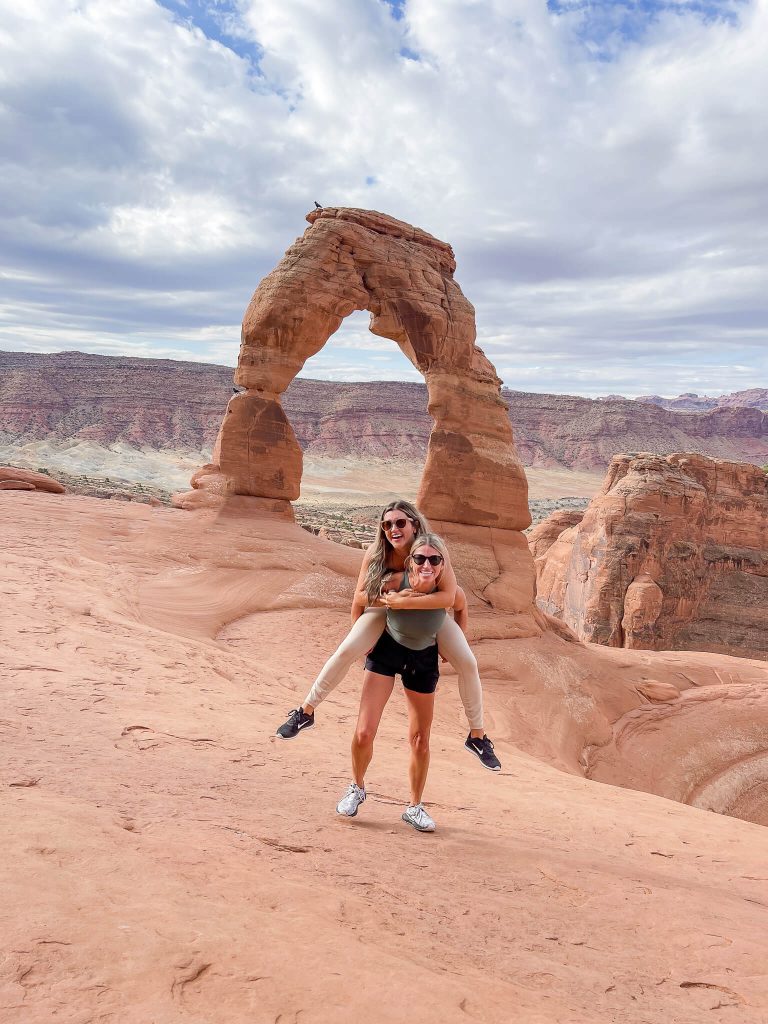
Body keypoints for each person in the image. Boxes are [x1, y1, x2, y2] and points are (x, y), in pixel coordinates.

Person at [276, 500, 501, 771]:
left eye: (400, 522)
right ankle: (306, 711)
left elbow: (450, 597)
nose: (393, 529)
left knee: (468, 662)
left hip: (425, 615)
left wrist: (407, 604)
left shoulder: (431, 551)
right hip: (384, 607)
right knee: (346, 651)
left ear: (414, 524)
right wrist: (378, 614)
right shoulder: (377, 552)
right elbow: (360, 596)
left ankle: (477, 736)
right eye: (387, 524)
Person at [335, 533, 449, 831]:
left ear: (441, 565)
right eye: (420, 558)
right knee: (363, 732)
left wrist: (453, 647)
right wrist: (361, 635)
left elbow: (459, 608)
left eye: (434, 559)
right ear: (411, 560)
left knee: (421, 740)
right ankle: (357, 787)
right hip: (387, 651)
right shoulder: (396, 580)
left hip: (423, 659)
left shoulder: (447, 588)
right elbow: (360, 597)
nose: (427, 564)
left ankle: (414, 807)